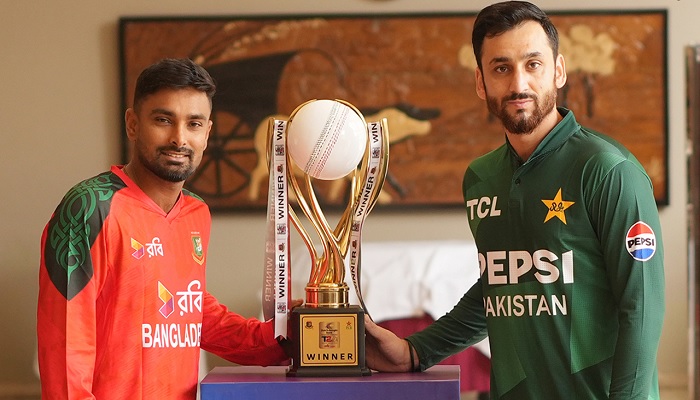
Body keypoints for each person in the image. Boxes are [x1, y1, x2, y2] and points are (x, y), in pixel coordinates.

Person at [364, 2, 665, 399]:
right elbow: (502, 287)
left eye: (533, 64)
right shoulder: (480, 178)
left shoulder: (609, 171)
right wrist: (415, 351)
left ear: (558, 71)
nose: (518, 83)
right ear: (481, 81)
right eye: (501, 68)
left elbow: (641, 307)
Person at [37, 58, 293, 399]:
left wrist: (282, 337)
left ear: (207, 134)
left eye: (194, 124)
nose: (179, 139)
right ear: (132, 124)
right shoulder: (89, 208)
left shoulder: (196, 212)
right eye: (163, 120)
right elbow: (66, 347)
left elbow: (191, 311)